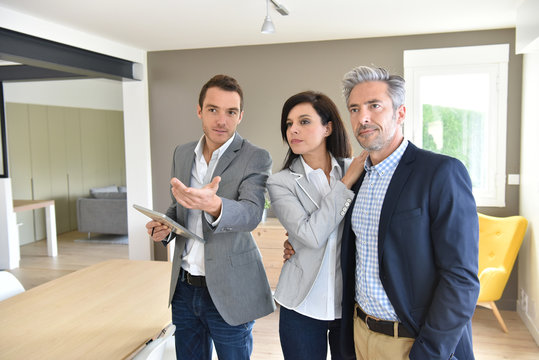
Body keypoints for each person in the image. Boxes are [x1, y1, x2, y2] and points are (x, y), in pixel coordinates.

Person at [285, 66, 480, 360]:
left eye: (374, 106)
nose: (362, 118)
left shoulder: (440, 173)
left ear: (400, 113)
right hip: (359, 336)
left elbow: (461, 279)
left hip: (414, 342)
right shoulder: (357, 179)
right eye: (354, 108)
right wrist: (296, 245)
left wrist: (428, 353)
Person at [146, 74, 275, 360]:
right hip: (183, 287)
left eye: (231, 112)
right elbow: (176, 208)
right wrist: (164, 229)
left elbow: (252, 213)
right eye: (213, 109)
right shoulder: (182, 153)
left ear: (241, 116)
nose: (221, 120)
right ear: (199, 110)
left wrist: (215, 205)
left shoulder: (256, 156)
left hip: (230, 290)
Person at [267, 91, 366, 360]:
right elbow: (310, 236)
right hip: (301, 306)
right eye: (289, 124)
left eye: (304, 121)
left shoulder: (358, 169)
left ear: (327, 128)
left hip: (351, 305)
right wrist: (344, 184)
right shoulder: (280, 183)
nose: (293, 130)